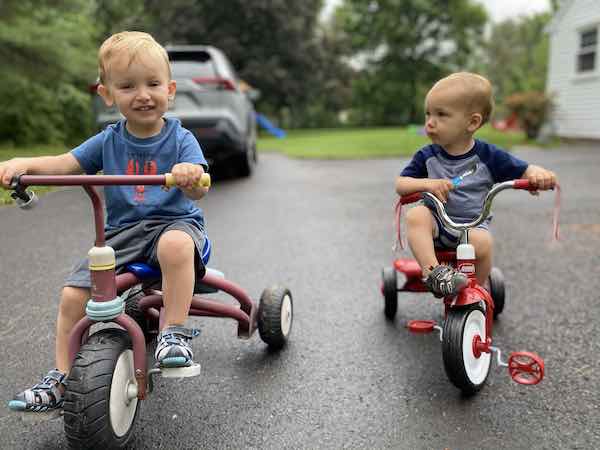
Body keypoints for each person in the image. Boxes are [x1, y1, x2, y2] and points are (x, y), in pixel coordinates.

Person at [1, 31, 209, 413]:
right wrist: (25, 164)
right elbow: (65, 164)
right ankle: (62, 378)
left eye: (153, 83)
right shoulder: (107, 141)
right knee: (73, 295)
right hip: (122, 236)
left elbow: (198, 189)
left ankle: (174, 334)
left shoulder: (182, 139)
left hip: (175, 225)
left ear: (171, 90)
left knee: (175, 246)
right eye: (128, 86)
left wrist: (189, 174)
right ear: (107, 94)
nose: (143, 94)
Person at [396, 72, 556, 298]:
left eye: (441, 114)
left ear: (472, 122)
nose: (430, 122)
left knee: (485, 243)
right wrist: (428, 184)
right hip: (437, 225)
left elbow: (524, 169)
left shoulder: (489, 156)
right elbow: (401, 184)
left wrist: (538, 174)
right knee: (416, 215)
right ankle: (435, 275)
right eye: (428, 114)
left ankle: (474, 291)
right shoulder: (427, 156)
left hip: (473, 227)